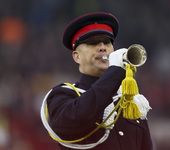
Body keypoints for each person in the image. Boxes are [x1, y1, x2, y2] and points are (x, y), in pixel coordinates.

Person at [40, 12, 153, 150]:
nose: (102, 47)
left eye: (107, 42)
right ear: (77, 57)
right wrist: (115, 72)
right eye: (93, 43)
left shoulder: (129, 102)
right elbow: (78, 118)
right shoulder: (62, 95)